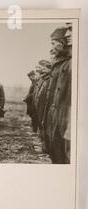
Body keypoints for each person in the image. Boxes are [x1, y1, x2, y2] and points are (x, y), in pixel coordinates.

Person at [46, 25, 72, 164]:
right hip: (56, 120)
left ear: (63, 43)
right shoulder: (61, 63)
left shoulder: (70, 63)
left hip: (64, 122)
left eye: (54, 43)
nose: (52, 47)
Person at [32, 60, 52, 152]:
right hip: (39, 104)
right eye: (41, 67)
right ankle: (42, 143)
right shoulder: (43, 78)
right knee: (41, 124)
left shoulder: (48, 79)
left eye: (44, 67)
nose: (42, 69)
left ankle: (45, 147)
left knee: (44, 125)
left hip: (44, 105)